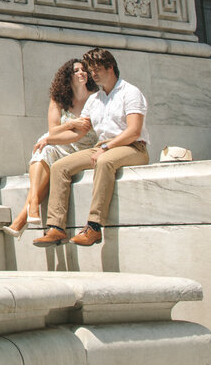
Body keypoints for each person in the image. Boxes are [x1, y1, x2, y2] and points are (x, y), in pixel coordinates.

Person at [33, 47, 150, 247]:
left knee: (104, 162)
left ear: (110, 68)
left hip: (133, 147)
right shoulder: (95, 99)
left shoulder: (130, 92)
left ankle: (94, 227)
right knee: (60, 166)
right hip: (103, 147)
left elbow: (134, 131)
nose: (92, 74)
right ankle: (56, 228)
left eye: (97, 69)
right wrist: (51, 139)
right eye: (91, 69)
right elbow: (78, 133)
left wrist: (107, 148)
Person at [3, 59, 97, 237]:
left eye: (84, 70)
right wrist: (72, 123)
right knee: (43, 149)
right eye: (76, 70)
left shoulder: (95, 99)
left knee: (46, 147)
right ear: (68, 76)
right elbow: (53, 130)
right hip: (64, 144)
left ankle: (23, 217)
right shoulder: (59, 99)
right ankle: (32, 206)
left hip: (85, 147)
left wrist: (54, 135)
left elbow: (78, 134)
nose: (82, 73)